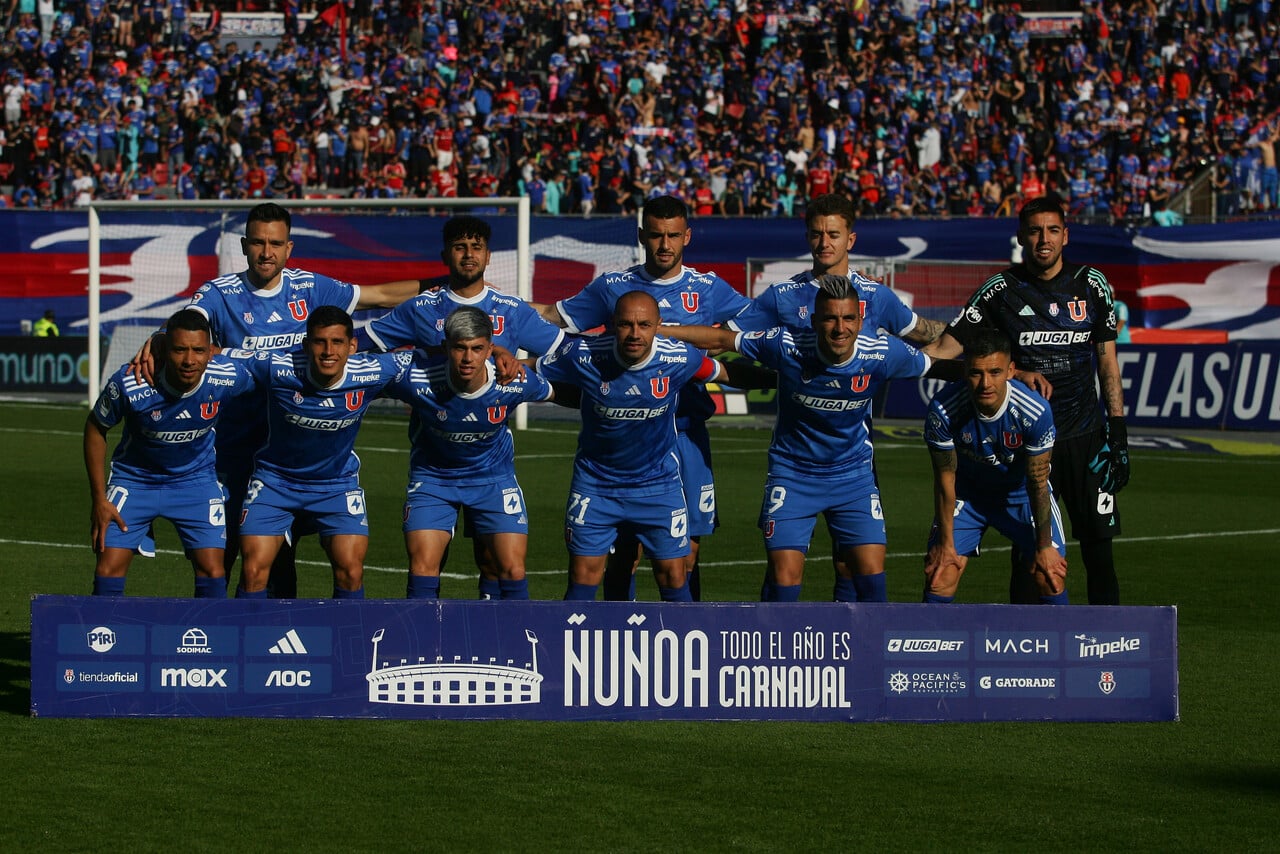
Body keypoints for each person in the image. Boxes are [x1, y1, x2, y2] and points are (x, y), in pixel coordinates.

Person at [133, 203, 419, 597]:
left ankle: (278, 648)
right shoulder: (221, 293)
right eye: (258, 242)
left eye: (275, 243)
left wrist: (448, 287)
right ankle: (212, 643)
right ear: (244, 245)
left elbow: (382, 295)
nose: (266, 252)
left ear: (289, 248)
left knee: (281, 558)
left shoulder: (310, 287)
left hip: (289, 454)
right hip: (231, 451)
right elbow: (189, 320)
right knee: (224, 556)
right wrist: (161, 336)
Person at [536, 194, 762, 601]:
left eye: (673, 235)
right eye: (656, 235)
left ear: (687, 236)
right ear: (642, 235)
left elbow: (751, 333)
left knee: (686, 552)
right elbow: (554, 320)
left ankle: (685, 636)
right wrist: (493, 319)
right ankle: (620, 639)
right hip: (625, 435)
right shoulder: (614, 287)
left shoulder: (707, 288)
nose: (664, 245)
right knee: (625, 551)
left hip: (687, 433)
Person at [663, 275, 933, 602]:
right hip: (794, 476)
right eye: (830, 318)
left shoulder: (883, 352)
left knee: (871, 575)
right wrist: (659, 331)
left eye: (848, 319)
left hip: (854, 477)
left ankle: (863, 651)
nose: (840, 327)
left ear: (860, 320)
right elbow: (720, 338)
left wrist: (1001, 372)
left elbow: (938, 365)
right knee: (784, 576)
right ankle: (771, 649)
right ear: (815, 320)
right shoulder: (786, 344)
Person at [932, 193, 1128, 605]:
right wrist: (888, 340)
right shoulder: (1000, 290)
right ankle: (1024, 658)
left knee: (1099, 550)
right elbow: (947, 347)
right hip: (1025, 441)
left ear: (1066, 236)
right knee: (1030, 557)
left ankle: (1107, 655)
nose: (1044, 238)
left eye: (1053, 230)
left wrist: (1118, 431)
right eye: (1035, 230)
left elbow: (1107, 362)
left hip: (1085, 438)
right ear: (1021, 237)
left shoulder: (1092, 285)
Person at [364, 215, 563, 599]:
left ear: (489, 256)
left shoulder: (513, 310)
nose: (468, 254)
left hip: (490, 462)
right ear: (445, 255)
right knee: (427, 561)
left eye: (476, 247)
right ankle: (426, 647)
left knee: (494, 561)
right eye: (459, 246)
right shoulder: (420, 308)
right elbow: (363, 342)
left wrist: (523, 363)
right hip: (433, 456)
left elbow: (565, 354)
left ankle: (498, 644)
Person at [534, 290, 726, 602]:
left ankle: (683, 647)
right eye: (626, 324)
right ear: (612, 324)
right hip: (596, 485)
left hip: (658, 485)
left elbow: (722, 371)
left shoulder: (678, 358)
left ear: (658, 325)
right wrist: (501, 365)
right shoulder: (583, 354)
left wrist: (783, 378)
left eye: (644, 325)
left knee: (675, 575)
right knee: (583, 575)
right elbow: (532, 368)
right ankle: (572, 647)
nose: (635, 333)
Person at [230, 306, 412, 599]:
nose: (328, 351)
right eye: (319, 342)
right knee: (253, 572)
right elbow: (218, 356)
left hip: (336, 486)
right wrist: (161, 342)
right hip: (275, 482)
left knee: (351, 570)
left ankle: (348, 643)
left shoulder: (373, 371)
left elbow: (442, 358)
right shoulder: (278, 368)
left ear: (352, 346)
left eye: (337, 342)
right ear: (306, 344)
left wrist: (498, 357)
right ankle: (249, 641)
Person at [383, 307, 553, 600]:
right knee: (423, 565)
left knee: (512, 569)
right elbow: (356, 376)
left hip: (493, 479)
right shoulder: (414, 375)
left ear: (490, 349)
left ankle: (513, 642)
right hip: (433, 480)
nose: (467, 358)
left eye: (476, 349)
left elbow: (564, 390)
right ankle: (425, 642)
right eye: (459, 348)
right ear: (444, 347)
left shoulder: (515, 382)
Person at [83, 310, 255, 598]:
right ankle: (104, 639)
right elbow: (94, 428)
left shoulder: (228, 377)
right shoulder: (131, 383)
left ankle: (208, 639)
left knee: (213, 570)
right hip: (134, 481)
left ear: (211, 352)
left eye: (199, 350)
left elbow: (271, 388)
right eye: (180, 350)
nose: (189, 360)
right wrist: (99, 499)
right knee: (108, 568)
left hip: (195, 482)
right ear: (164, 348)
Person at [922, 328, 1068, 605]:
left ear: (1011, 371)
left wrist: (1045, 546)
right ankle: (930, 646)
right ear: (965, 371)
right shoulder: (943, 410)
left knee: (1050, 575)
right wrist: (946, 545)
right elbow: (944, 482)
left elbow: (1038, 482)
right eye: (976, 373)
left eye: (995, 372)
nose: (985, 383)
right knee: (940, 575)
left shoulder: (1034, 411)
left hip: (1020, 495)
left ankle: (1062, 647)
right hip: (968, 494)